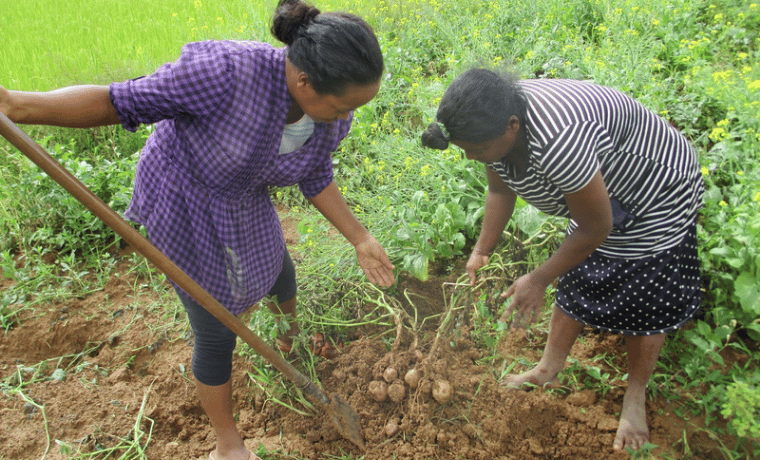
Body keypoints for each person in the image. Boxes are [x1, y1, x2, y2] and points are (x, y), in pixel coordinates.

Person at [1, 1, 395, 459]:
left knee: (278, 269)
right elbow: (118, 99)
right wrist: (15, 105)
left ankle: (292, 339)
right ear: (304, 80)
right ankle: (228, 442)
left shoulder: (328, 117)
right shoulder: (224, 73)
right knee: (215, 323)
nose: (348, 116)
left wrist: (360, 238)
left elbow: (315, 175)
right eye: (344, 105)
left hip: (240, 196)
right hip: (184, 199)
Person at [421, 69, 703, 452]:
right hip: (602, 190)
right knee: (576, 269)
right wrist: (481, 250)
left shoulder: (559, 141)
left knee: (643, 296)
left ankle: (635, 395)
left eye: (477, 149)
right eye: (466, 148)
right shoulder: (494, 130)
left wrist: (538, 278)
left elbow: (594, 227)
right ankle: (548, 369)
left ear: (513, 126)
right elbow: (499, 189)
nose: (471, 156)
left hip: (655, 190)